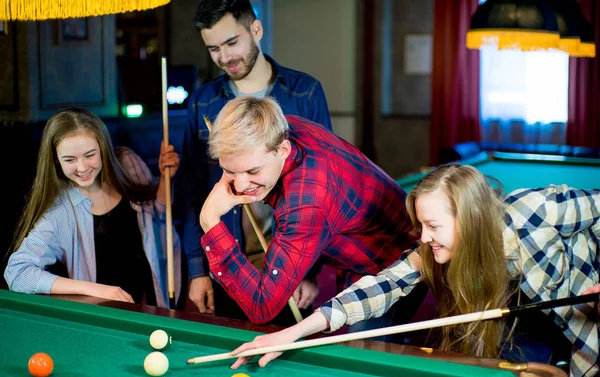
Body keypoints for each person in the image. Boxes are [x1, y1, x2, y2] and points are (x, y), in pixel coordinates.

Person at [230, 164, 600, 377]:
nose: (423, 237)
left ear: (469, 220)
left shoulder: (537, 211)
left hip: (588, 322)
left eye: (434, 226)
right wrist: (294, 332)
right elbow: (380, 286)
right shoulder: (432, 252)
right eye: (421, 225)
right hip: (525, 320)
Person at [198, 95, 425, 332]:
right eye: (229, 171)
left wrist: (210, 221)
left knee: (360, 359)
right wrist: (306, 268)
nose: (242, 185)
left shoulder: (307, 203)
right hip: (358, 248)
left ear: (283, 150)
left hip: (396, 267)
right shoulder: (286, 126)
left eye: (252, 170)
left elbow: (261, 306)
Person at [181, 0, 333, 321]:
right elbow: (191, 193)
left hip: (289, 262)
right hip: (227, 259)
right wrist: (198, 270)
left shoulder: (305, 93)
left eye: (232, 43)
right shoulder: (202, 102)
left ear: (256, 30)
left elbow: (321, 192)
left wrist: (310, 270)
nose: (225, 58)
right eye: (213, 49)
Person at [4, 108, 182, 308]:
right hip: (103, 316)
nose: (82, 168)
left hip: (153, 302)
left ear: (103, 148)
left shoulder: (128, 163)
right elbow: (17, 273)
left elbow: (156, 216)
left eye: (89, 155)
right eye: (69, 160)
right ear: (55, 159)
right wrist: (96, 289)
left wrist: (167, 179)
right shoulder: (59, 212)